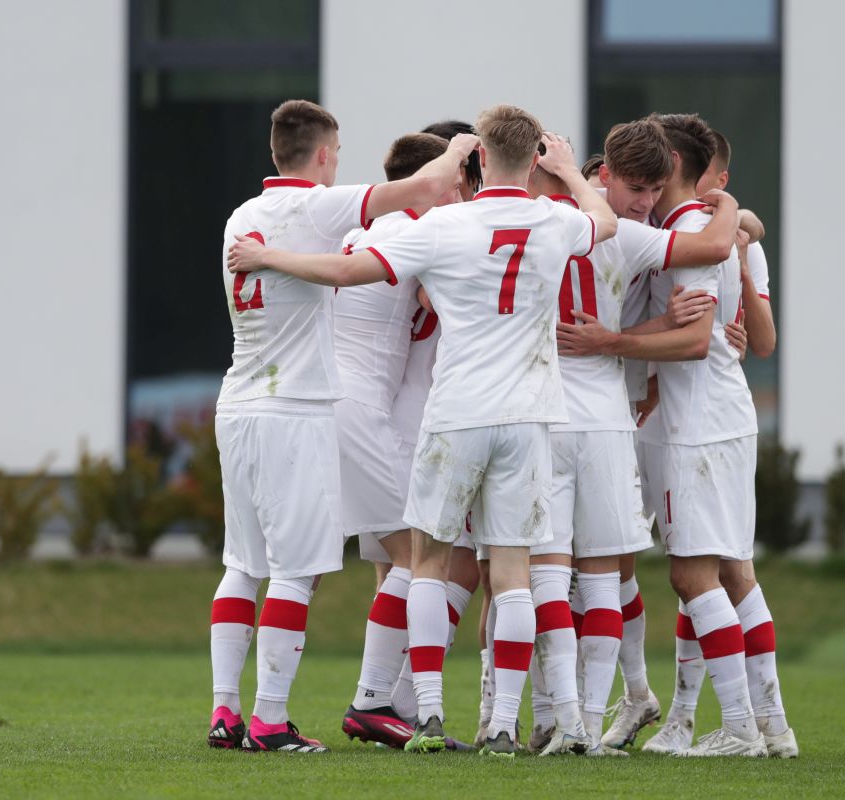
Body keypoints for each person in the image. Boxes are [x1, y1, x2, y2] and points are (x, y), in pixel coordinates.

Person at [228, 105, 618, 758]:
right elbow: (604, 222)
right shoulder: (554, 220)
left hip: (455, 411)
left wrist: (270, 257)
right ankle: (501, 725)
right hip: (529, 413)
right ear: (534, 160)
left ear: (480, 158)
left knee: (428, 562)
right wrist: (572, 173)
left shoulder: (443, 225)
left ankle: (428, 715)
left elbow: (348, 270)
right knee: (512, 572)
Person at [206, 99, 478, 755]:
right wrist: (463, 149)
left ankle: (226, 710)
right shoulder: (360, 218)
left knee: (252, 563)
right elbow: (422, 215)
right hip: (329, 405)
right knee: (417, 554)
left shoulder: (245, 215)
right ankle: (362, 703)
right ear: (325, 154)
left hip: (247, 398)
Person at [524, 119, 745, 757]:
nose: (646, 202)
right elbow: (713, 247)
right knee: (578, 577)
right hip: (585, 414)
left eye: (655, 190)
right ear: (603, 176)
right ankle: (558, 717)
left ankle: (566, 721)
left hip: (576, 413)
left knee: (570, 576)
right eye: (637, 189)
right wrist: (732, 207)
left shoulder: (532, 222)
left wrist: (640, 330)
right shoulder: (621, 232)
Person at [661, 128, 797, 758]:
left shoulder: (710, 237)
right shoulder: (717, 228)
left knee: (696, 573)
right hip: (721, 415)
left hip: (701, 421)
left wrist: (611, 342)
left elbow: (754, 342)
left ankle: (742, 727)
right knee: (727, 572)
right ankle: (769, 725)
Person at [333, 132, 466, 748]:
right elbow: (459, 300)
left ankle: (386, 704)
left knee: (390, 563)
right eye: (455, 186)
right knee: (419, 557)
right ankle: (373, 702)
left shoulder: (363, 230)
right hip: (360, 409)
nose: (460, 198)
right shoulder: (410, 234)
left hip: (350, 407)